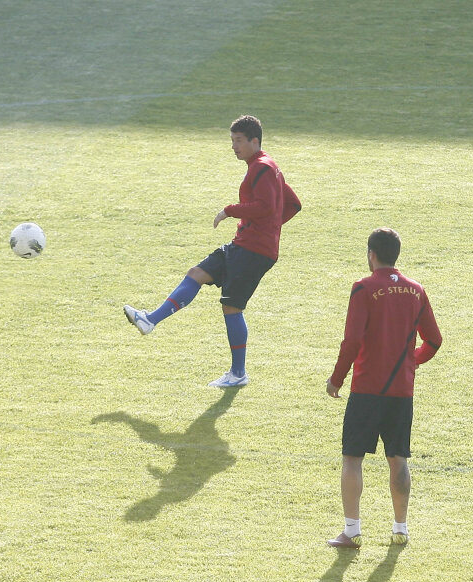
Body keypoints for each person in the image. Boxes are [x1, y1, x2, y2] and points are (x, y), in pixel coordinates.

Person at [123, 115, 302, 388]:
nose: (234, 146)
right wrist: (268, 227)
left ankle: (238, 374)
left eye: (239, 141)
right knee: (197, 273)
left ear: (255, 141)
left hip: (253, 250)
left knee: (232, 307)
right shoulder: (268, 167)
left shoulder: (262, 168)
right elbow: (293, 204)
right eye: (232, 141)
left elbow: (265, 206)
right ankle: (150, 320)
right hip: (244, 244)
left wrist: (231, 212)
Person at [326, 228, 442, 548]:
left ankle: (352, 531)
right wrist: (412, 362)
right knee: (398, 458)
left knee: (352, 458)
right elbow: (435, 340)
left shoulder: (363, 288)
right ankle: (400, 529)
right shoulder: (416, 291)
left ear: (371, 254)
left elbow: (352, 341)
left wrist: (336, 379)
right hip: (401, 391)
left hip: (366, 388)